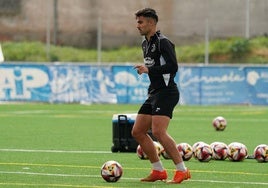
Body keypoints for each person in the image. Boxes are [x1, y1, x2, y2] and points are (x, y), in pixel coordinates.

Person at [131, 8, 191, 184]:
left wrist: (149, 69)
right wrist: (148, 70)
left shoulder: (164, 42)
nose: (138, 26)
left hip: (167, 92)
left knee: (158, 131)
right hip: (154, 93)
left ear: (151, 23)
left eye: (140, 22)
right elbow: (156, 68)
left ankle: (182, 171)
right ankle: (158, 170)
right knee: (138, 131)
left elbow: (173, 67)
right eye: (137, 22)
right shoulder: (145, 44)